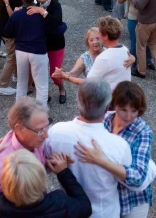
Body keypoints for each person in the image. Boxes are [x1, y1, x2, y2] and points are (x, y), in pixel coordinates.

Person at [45, 78, 132, 218]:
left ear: (78, 102)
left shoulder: (55, 132)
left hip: (71, 209)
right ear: (107, 108)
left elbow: (45, 168)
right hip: (105, 212)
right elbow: (128, 181)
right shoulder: (119, 145)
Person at [74, 81, 155, 218]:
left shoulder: (143, 131)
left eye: (134, 111)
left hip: (132, 200)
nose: (128, 116)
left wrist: (101, 161)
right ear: (113, 104)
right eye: (123, 109)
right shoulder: (102, 120)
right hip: (108, 197)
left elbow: (138, 177)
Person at [0, 139, 91, 218]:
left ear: (4, 182)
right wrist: (64, 172)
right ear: (42, 179)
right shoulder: (60, 204)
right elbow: (85, 206)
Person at [2, 0, 55, 105]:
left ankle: (20, 112)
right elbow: (54, 27)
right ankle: (42, 115)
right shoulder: (41, 14)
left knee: (21, 82)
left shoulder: (17, 14)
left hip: (21, 51)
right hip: (38, 50)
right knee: (41, 85)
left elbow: (7, 32)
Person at [0, 98, 50, 193]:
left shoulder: (32, 140)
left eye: (47, 126)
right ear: (19, 128)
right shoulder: (3, 167)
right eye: (40, 130)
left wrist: (49, 164)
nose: (46, 135)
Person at [53, 16, 132, 91]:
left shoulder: (104, 57)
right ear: (87, 42)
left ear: (104, 37)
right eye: (91, 40)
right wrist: (63, 74)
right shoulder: (124, 50)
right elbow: (73, 73)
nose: (95, 42)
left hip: (105, 99)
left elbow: (89, 83)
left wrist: (66, 77)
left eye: (98, 37)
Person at [31, 0, 67, 103]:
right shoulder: (34, 4)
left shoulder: (55, 5)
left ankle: (61, 88)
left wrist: (42, 12)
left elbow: (56, 22)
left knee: (54, 73)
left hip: (56, 44)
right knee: (39, 72)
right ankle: (44, 94)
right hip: (40, 44)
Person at [0, 0, 25, 96]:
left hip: (3, 28)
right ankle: (2, 85)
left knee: (14, 54)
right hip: (10, 32)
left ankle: (16, 76)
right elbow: (14, 16)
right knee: (11, 57)